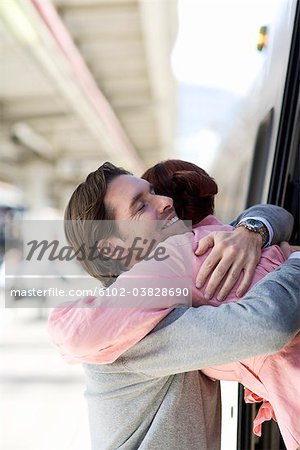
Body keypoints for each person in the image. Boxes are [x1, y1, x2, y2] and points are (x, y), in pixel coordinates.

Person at [49, 162, 300, 450]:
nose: (166, 202)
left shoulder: (177, 273)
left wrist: (249, 233)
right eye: (140, 206)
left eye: (154, 191)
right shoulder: (131, 336)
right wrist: (293, 261)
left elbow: (272, 217)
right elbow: (268, 323)